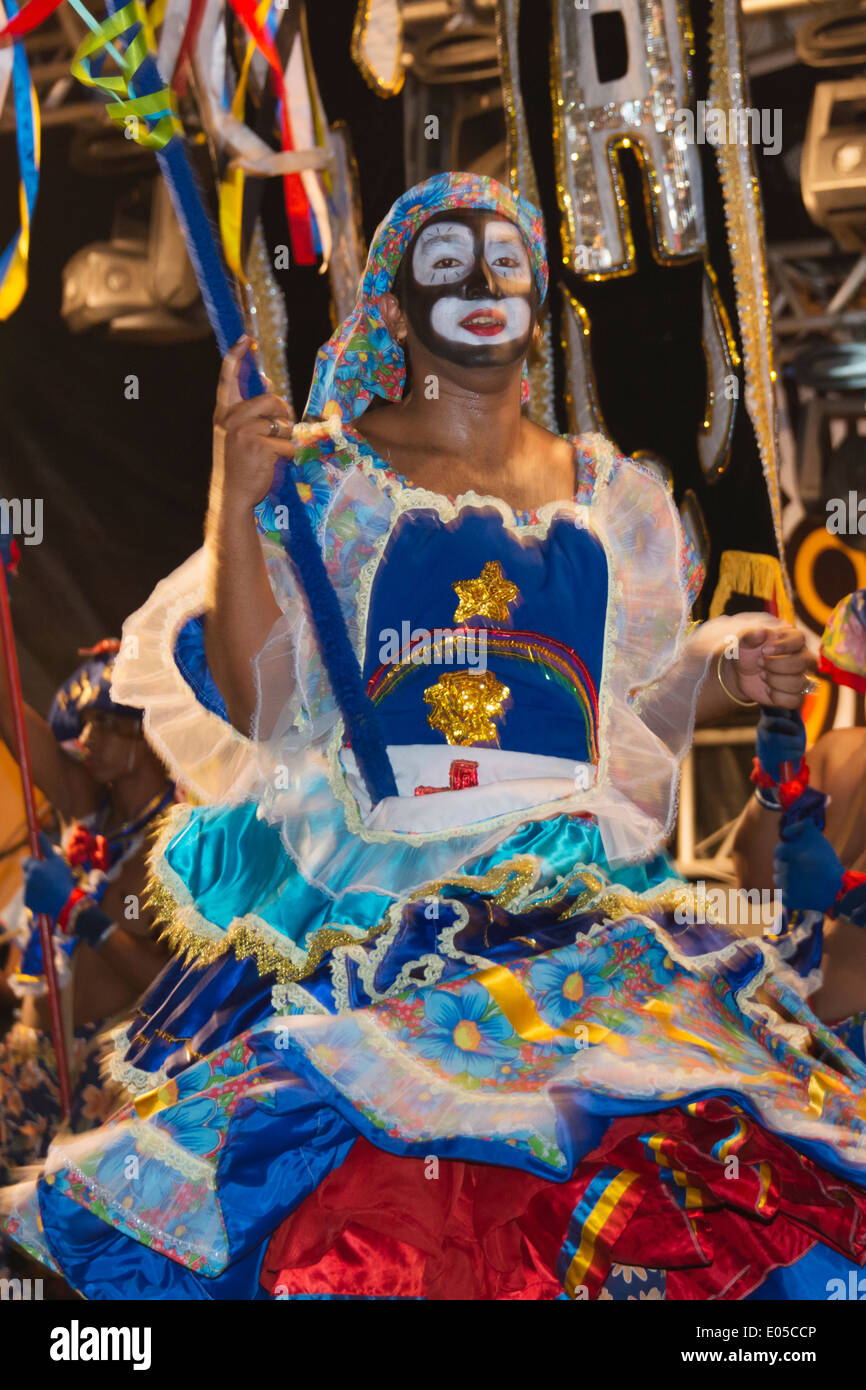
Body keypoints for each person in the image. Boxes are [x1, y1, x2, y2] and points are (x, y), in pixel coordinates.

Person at [4, 172, 865, 1303]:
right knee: (394, 1214)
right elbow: (266, 713)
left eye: (504, 262)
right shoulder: (328, 476)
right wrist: (236, 495)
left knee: (651, 1188)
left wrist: (722, 666)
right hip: (388, 906)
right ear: (395, 308)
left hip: (571, 897)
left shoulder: (611, 499)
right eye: (446, 265)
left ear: (542, 291)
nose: (482, 286)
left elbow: (626, 708)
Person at [0, 640, 176, 1199]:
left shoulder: (177, 845)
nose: (86, 739)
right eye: (86, 723)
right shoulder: (89, 813)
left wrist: (83, 915)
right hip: (28, 1054)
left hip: (95, 1075)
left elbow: (162, 982)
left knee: (60, 1236)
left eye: (105, 723)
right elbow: (13, 718)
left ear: (148, 729)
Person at [733, 588, 866, 1041]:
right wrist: (775, 785)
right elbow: (754, 889)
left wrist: (844, 898)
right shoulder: (839, 754)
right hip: (786, 1056)